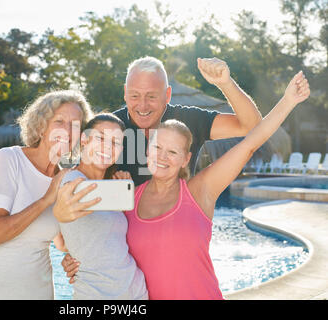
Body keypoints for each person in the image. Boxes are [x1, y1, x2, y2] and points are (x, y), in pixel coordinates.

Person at [64, 71, 310, 299]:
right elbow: (94, 234)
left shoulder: (199, 191)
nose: (162, 157)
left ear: (186, 159)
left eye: (173, 152)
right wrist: (73, 259)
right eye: (158, 148)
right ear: (146, 150)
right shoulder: (126, 197)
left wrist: (288, 101)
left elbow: (249, 144)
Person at [0, 90, 93, 299]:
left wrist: (72, 260)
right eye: (59, 121)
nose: (67, 130)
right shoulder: (10, 159)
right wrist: (46, 199)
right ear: (41, 127)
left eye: (75, 124)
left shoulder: (67, 179)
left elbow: (62, 242)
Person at [113, 56, 263, 185]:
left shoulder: (187, 119)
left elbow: (251, 126)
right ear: (125, 93)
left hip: (179, 216)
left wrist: (226, 84)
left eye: (151, 96)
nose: (143, 105)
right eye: (134, 96)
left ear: (167, 95)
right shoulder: (109, 127)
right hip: (126, 217)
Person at [53, 113, 148, 300]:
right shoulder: (70, 182)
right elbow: (58, 227)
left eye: (116, 142)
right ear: (84, 139)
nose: (108, 147)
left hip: (136, 292)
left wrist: (122, 191)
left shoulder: (112, 186)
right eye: (101, 138)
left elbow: (66, 243)